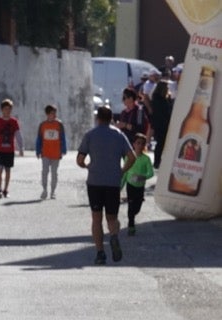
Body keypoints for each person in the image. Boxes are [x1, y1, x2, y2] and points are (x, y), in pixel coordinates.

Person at [77, 105, 134, 265]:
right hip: (112, 182)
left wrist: (86, 166)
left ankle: (100, 252)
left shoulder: (90, 135)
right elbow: (132, 157)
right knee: (112, 217)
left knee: (96, 218)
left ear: (98, 118)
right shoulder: (119, 135)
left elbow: (80, 159)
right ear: (111, 118)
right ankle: (114, 236)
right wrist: (122, 170)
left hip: (95, 182)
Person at [121, 133, 154, 236]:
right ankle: (131, 225)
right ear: (133, 144)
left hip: (140, 186)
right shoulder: (129, 157)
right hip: (130, 185)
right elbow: (125, 172)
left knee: (137, 207)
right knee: (131, 206)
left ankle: (133, 215)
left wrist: (143, 177)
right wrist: (120, 186)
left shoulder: (146, 159)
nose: (140, 145)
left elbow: (151, 173)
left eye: (142, 143)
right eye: (138, 143)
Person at [35, 104, 67, 200]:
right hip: (45, 153)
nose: (54, 115)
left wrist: (64, 149)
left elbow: (62, 138)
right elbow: (39, 139)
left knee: (54, 173)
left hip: (56, 153)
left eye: (55, 113)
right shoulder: (42, 125)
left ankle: (53, 192)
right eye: (52, 113)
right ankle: (44, 190)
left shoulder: (59, 124)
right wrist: (38, 150)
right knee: (44, 172)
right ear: (47, 114)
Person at [0, 98, 23, 198]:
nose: (7, 111)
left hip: (9, 150)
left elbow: (18, 135)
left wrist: (21, 148)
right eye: (5, 109)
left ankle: (6, 189)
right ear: (2, 110)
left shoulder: (14, 122)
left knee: (8, 170)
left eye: (9, 109)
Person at [149, 81, 173, 167]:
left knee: (161, 143)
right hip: (162, 124)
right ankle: (157, 161)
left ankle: (158, 161)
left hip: (160, 124)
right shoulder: (159, 100)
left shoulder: (159, 99)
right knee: (160, 143)